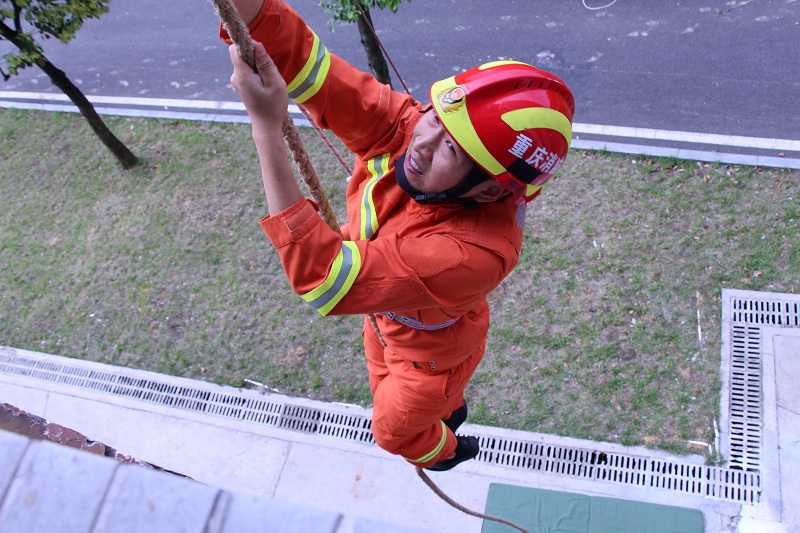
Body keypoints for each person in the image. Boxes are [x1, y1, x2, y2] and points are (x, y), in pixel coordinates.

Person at [222, 0, 574, 471]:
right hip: (392, 314)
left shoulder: (470, 255)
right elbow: (315, 72)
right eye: (436, 116)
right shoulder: (416, 129)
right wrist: (251, 12)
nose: (420, 143)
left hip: (429, 356)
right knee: (379, 376)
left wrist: (265, 125)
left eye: (451, 147)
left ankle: (444, 450)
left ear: (490, 187)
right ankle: (445, 412)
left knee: (392, 430)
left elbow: (324, 279)